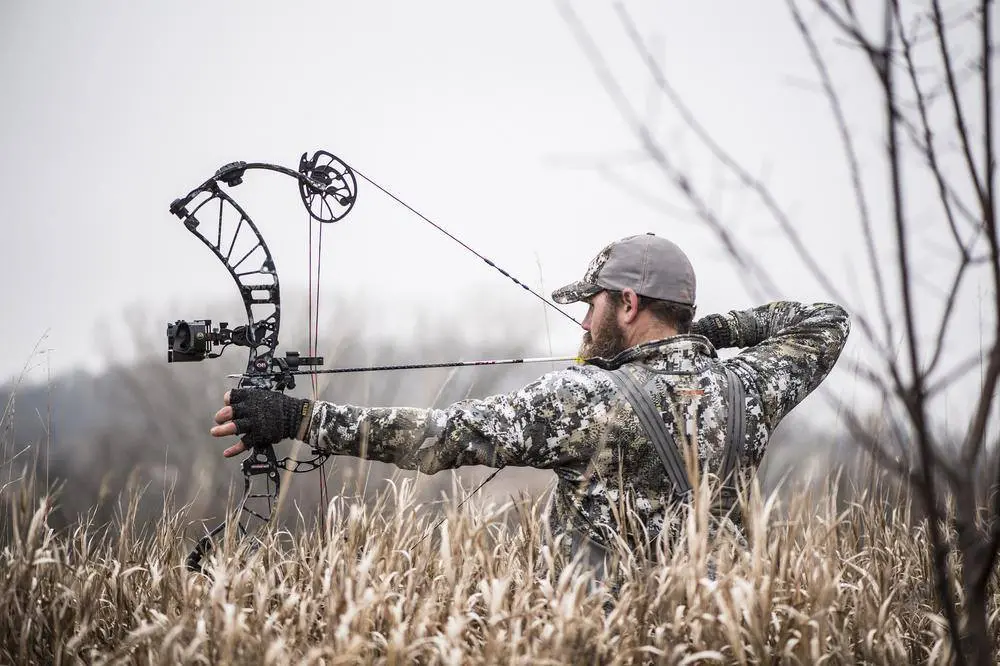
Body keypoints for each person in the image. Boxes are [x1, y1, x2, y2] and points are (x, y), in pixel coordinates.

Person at [210, 233, 850, 573]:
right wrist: (708, 333)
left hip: (606, 641)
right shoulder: (747, 388)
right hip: (721, 631)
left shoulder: (586, 398)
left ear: (628, 304)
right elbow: (825, 321)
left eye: (593, 304)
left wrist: (298, 418)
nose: (584, 322)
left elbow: (440, 437)